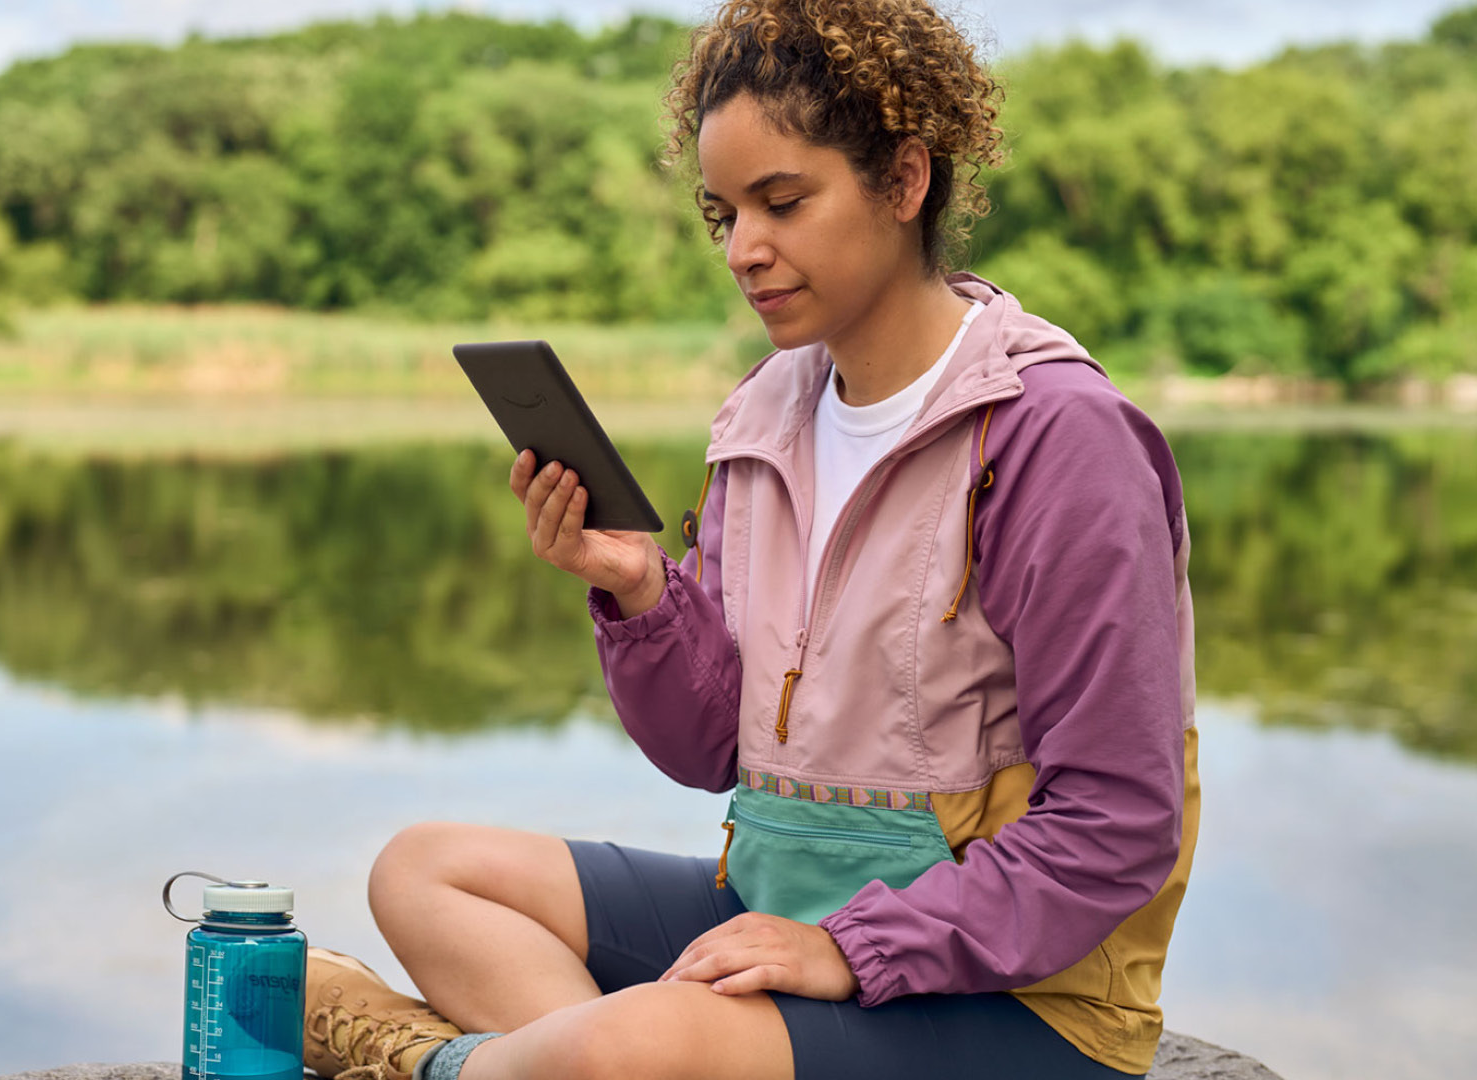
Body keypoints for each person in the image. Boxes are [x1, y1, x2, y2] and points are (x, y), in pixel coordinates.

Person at [301, 1, 1200, 1077]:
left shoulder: (1058, 438)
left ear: (905, 181)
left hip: (1021, 1000)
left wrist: (850, 946)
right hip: (779, 908)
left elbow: (1119, 823)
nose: (745, 250)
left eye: (782, 202)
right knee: (427, 870)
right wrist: (639, 592)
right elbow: (709, 751)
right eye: (722, 213)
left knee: (639, 1042)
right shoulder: (765, 415)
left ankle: (432, 1065)